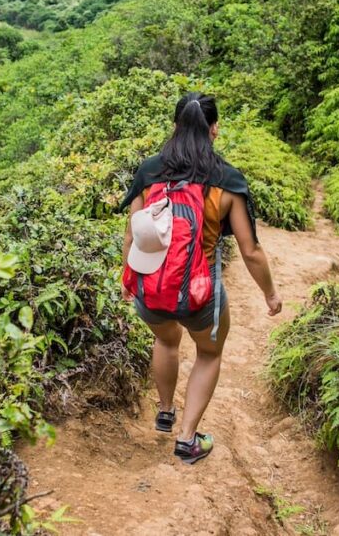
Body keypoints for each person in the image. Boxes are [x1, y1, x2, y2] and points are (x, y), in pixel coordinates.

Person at [121, 92, 283, 464]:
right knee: (208, 353)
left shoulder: (149, 171)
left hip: (151, 287)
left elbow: (132, 234)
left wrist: (128, 280)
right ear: (215, 130)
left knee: (166, 341)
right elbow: (250, 249)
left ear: (175, 127)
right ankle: (187, 438)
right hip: (200, 293)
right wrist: (270, 294)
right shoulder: (226, 179)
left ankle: (164, 411)